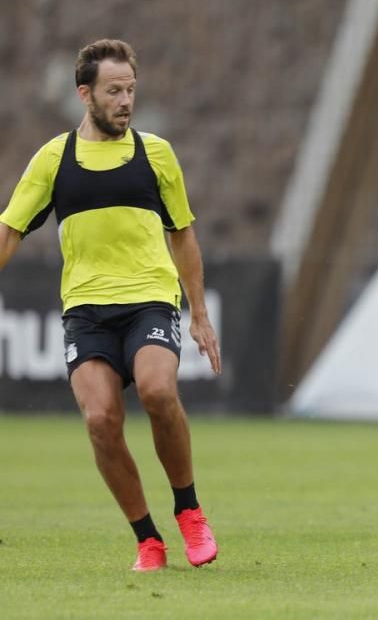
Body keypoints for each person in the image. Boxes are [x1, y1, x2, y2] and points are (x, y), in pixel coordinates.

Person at [0, 39, 221, 572]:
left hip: (149, 299)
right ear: (85, 94)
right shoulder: (54, 160)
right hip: (86, 310)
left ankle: (189, 511)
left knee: (157, 389)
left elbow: (184, 235)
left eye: (131, 90)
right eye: (114, 91)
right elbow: (9, 233)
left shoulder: (156, 154)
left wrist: (199, 312)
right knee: (100, 419)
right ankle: (148, 539)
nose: (125, 101)